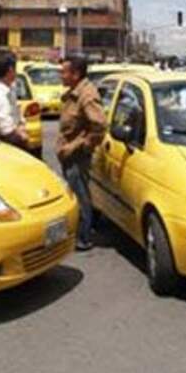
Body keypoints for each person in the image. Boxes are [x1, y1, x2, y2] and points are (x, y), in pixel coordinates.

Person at [57, 55, 106, 251]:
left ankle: (83, 237)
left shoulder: (86, 95)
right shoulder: (74, 93)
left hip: (77, 157)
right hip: (69, 155)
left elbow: (100, 125)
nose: (61, 76)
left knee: (80, 196)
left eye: (64, 72)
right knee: (75, 194)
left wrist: (83, 145)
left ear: (76, 74)